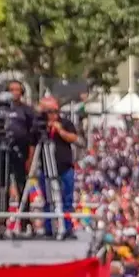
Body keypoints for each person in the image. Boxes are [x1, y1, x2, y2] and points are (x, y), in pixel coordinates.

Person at [0, 80, 36, 212]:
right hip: (0, 151)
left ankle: (24, 220)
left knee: (21, 184)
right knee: (2, 184)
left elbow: (32, 136)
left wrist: (30, 158)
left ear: (22, 92)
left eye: (17, 90)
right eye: (11, 90)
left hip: (20, 151)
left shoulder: (27, 110)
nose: (14, 93)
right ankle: (2, 218)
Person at [35, 95, 80, 239]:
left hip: (65, 167)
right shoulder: (39, 126)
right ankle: (49, 228)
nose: (51, 115)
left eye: (53, 111)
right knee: (48, 199)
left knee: (67, 200)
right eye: (47, 112)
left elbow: (74, 138)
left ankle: (67, 228)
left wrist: (60, 130)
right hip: (45, 168)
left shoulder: (65, 123)